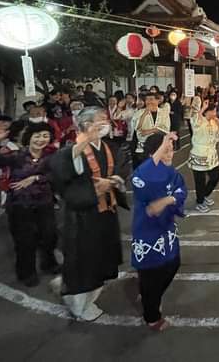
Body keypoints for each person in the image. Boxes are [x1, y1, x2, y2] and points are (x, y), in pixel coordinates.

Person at [50, 106, 130, 321]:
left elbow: (122, 168)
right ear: (85, 124)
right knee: (84, 261)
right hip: (83, 217)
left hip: (106, 212)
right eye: (100, 120)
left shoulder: (109, 147)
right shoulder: (71, 151)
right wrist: (95, 188)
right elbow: (63, 179)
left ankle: (87, 295)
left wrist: (114, 181)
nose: (105, 123)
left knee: (103, 258)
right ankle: (79, 305)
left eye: (105, 119)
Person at [0, 122, 60, 286]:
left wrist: (35, 178)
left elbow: (56, 175)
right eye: (37, 136)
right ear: (28, 138)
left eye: (45, 136)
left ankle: (49, 264)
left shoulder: (52, 156)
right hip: (19, 205)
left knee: (49, 235)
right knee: (25, 240)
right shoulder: (17, 156)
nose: (41, 139)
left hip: (45, 202)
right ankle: (26, 273)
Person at [130, 132, 187, 331]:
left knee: (173, 263)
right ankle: (151, 315)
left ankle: (150, 297)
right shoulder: (142, 173)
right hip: (147, 231)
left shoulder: (172, 173)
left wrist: (166, 200)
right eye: (165, 151)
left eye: (171, 150)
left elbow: (180, 191)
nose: (170, 154)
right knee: (149, 271)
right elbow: (140, 179)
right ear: (152, 153)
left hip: (166, 229)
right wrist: (162, 146)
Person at [188, 98, 219, 213]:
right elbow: (194, 121)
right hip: (199, 154)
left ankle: (204, 195)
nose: (215, 114)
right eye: (213, 111)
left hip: (211, 155)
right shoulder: (200, 120)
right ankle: (200, 202)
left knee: (215, 177)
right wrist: (203, 108)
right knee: (199, 181)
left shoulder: (214, 122)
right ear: (207, 112)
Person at [132, 92, 171, 167]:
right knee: (144, 168)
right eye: (147, 100)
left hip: (159, 146)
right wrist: (144, 114)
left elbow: (166, 129)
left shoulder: (164, 112)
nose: (149, 102)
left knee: (158, 170)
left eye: (151, 99)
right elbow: (137, 128)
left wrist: (152, 130)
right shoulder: (139, 112)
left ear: (158, 101)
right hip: (143, 146)